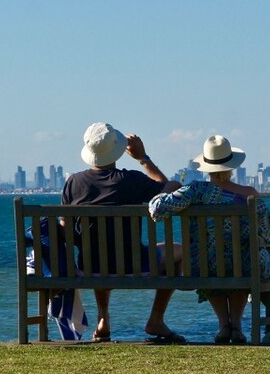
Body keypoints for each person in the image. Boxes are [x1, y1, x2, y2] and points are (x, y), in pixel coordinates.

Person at [61, 122, 183, 343]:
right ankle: (156, 319)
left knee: (99, 252)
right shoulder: (131, 180)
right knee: (179, 251)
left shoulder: (73, 183)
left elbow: (64, 226)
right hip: (133, 264)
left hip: (90, 267)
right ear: (116, 150)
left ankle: (103, 320)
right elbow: (166, 193)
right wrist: (143, 158)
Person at [148, 135, 270, 344]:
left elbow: (156, 210)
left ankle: (224, 325)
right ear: (231, 165)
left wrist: (167, 189)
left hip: (205, 265)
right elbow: (268, 235)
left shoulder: (196, 191)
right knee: (242, 258)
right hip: (248, 266)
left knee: (210, 258)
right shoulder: (250, 195)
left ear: (207, 166)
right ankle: (236, 326)